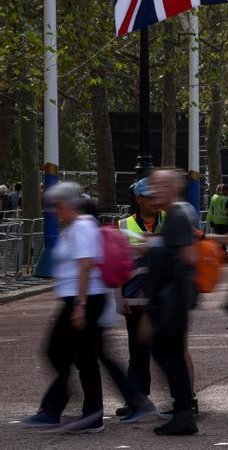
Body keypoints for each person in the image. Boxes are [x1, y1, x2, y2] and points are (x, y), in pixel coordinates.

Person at [21, 183, 112, 433]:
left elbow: (85, 266)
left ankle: (61, 407)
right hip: (81, 298)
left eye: (57, 206)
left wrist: (80, 306)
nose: (54, 211)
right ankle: (80, 412)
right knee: (82, 358)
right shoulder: (76, 226)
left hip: (84, 298)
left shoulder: (81, 227)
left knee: (58, 352)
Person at [144, 168, 200, 435]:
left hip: (171, 302)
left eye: (160, 185)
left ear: (173, 188)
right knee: (169, 355)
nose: (154, 190)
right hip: (171, 300)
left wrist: (162, 304)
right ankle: (183, 412)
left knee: (169, 356)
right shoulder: (172, 217)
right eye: (153, 185)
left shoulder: (176, 216)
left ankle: (184, 414)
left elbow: (187, 258)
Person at [115, 178, 164, 417]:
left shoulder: (170, 219)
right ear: (137, 199)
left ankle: (184, 398)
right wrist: (119, 294)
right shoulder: (123, 225)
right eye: (149, 196)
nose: (154, 201)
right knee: (138, 351)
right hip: (135, 297)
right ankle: (137, 398)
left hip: (164, 296)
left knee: (169, 350)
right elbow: (118, 263)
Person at [208, 184, 228, 263]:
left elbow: (212, 210)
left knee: (221, 243)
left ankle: (223, 258)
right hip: (225, 223)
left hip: (216, 223)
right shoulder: (226, 199)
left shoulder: (214, 198)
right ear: (225, 191)